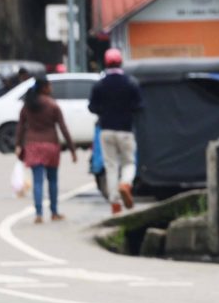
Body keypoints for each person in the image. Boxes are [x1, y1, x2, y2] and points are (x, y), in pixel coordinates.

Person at [14, 75, 77, 223]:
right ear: (44, 87)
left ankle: (38, 214)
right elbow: (63, 128)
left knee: (37, 181)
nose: (51, 88)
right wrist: (72, 149)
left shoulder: (27, 105)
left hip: (33, 145)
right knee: (53, 180)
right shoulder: (52, 105)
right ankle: (54, 212)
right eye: (49, 85)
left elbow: (21, 126)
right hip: (51, 145)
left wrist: (18, 145)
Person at [88, 48, 143, 215]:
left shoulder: (100, 85)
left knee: (111, 166)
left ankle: (115, 203)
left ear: (105, 63)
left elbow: (92, 107)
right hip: (126, 130)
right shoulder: (130, 83)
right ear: (120, 63)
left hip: (106, 130)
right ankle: (125, 184)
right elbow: (139, 105)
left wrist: (104, 110)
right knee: (129, 162)